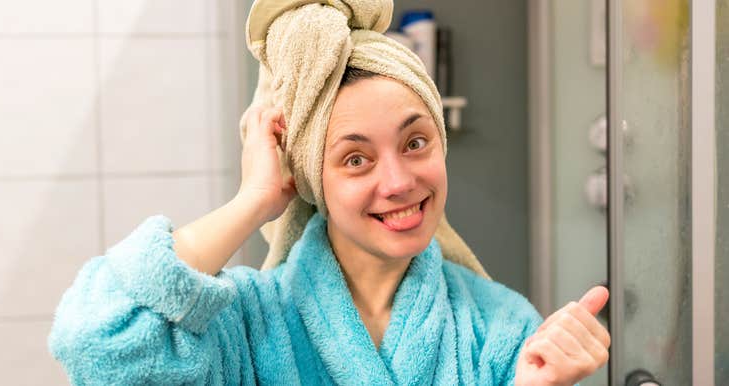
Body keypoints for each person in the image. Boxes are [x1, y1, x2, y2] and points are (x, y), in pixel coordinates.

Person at [48, 1, 610, 385]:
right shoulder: (246, 324)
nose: (397, 182)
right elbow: (97, 342)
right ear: (314, 178)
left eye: (415, 142)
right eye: (356, 158)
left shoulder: (499, 326)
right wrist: (254, 200)